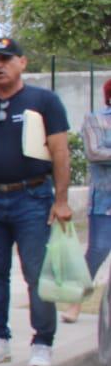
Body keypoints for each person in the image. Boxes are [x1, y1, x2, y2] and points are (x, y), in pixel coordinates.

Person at [0, 37, 72, 366]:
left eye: (5, 58)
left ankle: (42, 343)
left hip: (32, 198)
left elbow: (60, 151)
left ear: (22, 62)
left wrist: (61, 200)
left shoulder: (43, 101)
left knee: (36, 274)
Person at [62, 77, 111, 323]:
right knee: (98, 251)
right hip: (105, 200)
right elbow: (94, 152)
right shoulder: (96, 119)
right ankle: (74, 303)